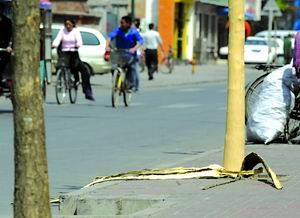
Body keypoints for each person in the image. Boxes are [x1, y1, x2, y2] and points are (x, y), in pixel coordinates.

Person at [52, 19, 95, 101]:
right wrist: (54, 45)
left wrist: (77, 45)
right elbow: (57, 39)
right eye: (66, 24)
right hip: (64, 53)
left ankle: (87, 91)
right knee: (61, 66)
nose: (68, 26)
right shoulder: (62, 31)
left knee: (84, 70)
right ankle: (62, 81)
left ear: (73, 24)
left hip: (74, 53)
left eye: (69, 24)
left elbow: (79, 41)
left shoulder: (76, 32)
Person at [106, 15, 144, 92]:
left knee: (132, 68)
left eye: (122, 23)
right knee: (114, 67)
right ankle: (117, 83)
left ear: (128, 23)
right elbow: (109, 37)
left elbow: (141, 41)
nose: (121, 24)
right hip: (120, 53)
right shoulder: (118, 30)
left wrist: (134, 48)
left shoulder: (134, 32)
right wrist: (107, 46)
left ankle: (131, 85)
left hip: (130, 55)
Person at [0, 2, 12, 87]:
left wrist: (9, 46)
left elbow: (11, 36)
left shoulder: (7, 22)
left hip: (4, 47)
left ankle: (4, 78)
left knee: (7, 60)